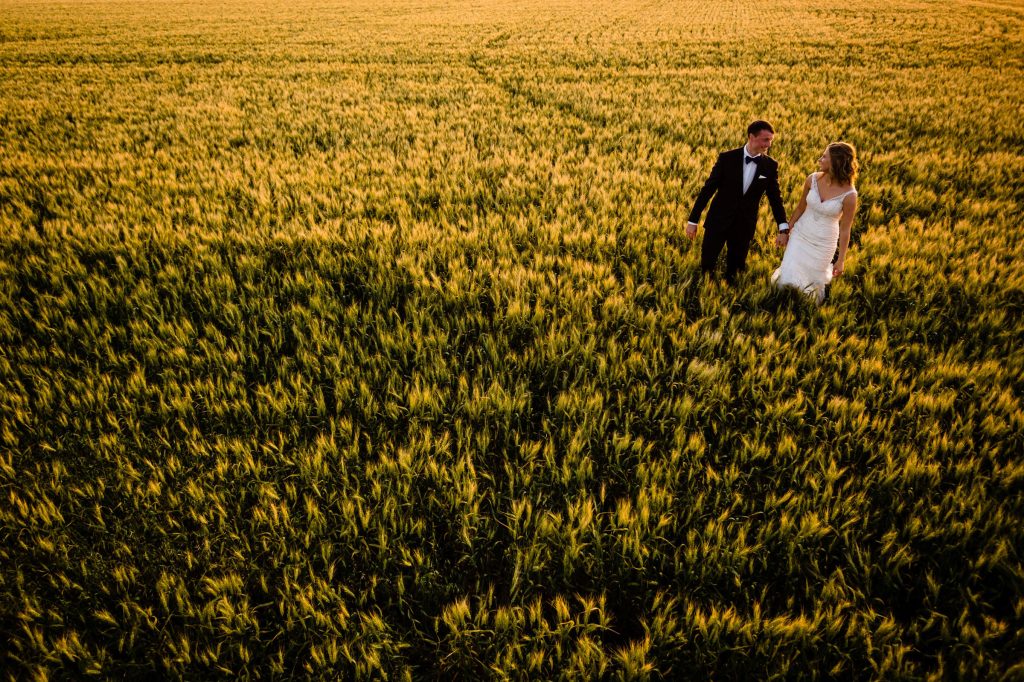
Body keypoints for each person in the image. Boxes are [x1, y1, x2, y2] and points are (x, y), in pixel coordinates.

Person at [686, 120, 789, 283]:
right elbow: (707, 190)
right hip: (718, 221)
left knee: (736, 270)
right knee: (707, 264)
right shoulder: (727, 158)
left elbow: (775, 198)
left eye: (770, 140)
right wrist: (693, 220)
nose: (768, 144)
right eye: (765, 139)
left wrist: (783, 228)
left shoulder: (770, 166)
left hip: (744, 225)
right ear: (751, 137)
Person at [771, 142, 859, 304]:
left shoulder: (850, 195)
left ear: (836, 162)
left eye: (825, 156)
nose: (820, 158)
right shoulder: (812, 179)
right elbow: (800, 208)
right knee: (789, 274)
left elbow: (846, 229)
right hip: (801, 235)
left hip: (824, 243)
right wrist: (785, 232)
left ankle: (803, 311)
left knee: (810, 284)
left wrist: (841, 260)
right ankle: (781, 304)